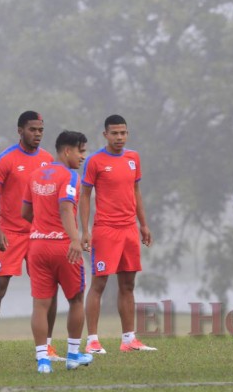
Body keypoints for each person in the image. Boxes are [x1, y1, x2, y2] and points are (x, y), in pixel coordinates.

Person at [0, 111, 61, 364]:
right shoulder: (6, 159)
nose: (37, 134)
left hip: (40, 235)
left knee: (49, 291)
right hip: (10, 234)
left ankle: (47, 348)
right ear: (20, 130)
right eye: (32, 129)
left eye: (40, 130)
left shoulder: (49, 160)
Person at [81, 114, 155, 354]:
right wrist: (85, 230)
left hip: (129, 230)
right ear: (105, 135)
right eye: (114, 133)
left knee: (128, 284)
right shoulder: (94, 161)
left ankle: (129, 339)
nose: (119, 137)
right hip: (106, 230)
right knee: (99, 283)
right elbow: (84, 196)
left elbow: (136, 192)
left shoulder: (134, 158)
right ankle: (92, 340)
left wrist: (143, 224)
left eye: (123, 133)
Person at [21, 130, 93, 373]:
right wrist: (75, 239)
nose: (83, 156)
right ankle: (73, 355)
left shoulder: (34, 175)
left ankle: (43, 360)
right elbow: (65, 208)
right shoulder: (70, 176)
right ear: (67, 151)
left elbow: (25, 213)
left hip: (37, 246)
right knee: (75, 299)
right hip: (63, 246)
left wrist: (42, 224)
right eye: (80, 151)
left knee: (40, 305)